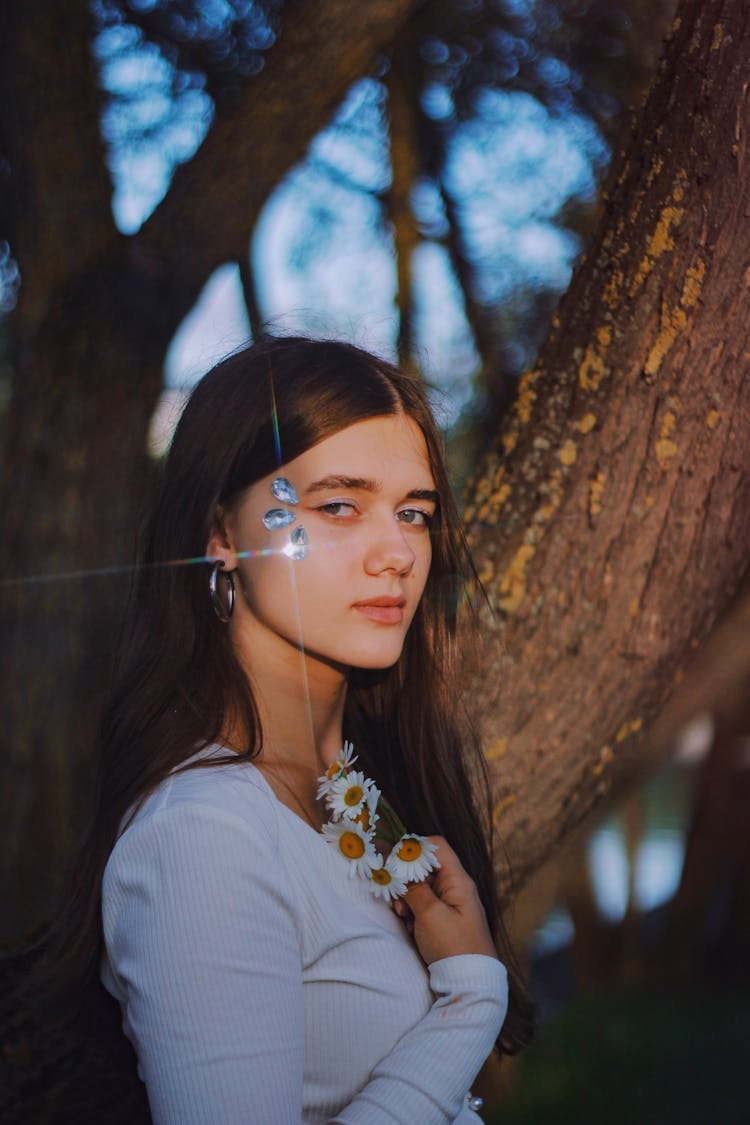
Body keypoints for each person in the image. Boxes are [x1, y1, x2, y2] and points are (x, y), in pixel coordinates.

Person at [54, 336, 534, 1123]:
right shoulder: (203, 836)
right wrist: (468, 1002)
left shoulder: (351, 790)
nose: (397, 554)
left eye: (413, 513)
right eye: (338, 505)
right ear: (221, 533)